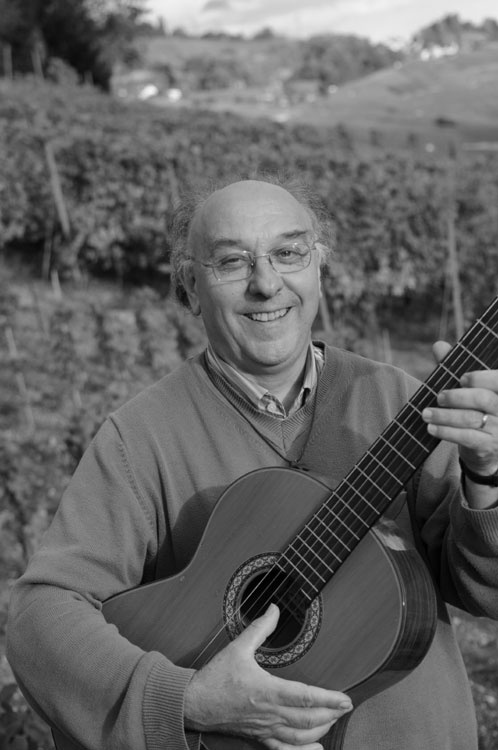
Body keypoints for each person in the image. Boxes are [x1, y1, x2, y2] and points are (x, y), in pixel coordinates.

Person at [7, 176, 498, 750]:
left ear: (319, 267)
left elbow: (487, 595)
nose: (267, 284)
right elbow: (39, 618)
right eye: (232, 262)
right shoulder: (140, 438)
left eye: (288, 253)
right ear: (190, 287)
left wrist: (486, 476)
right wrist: (186, 699)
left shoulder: (400, 401)